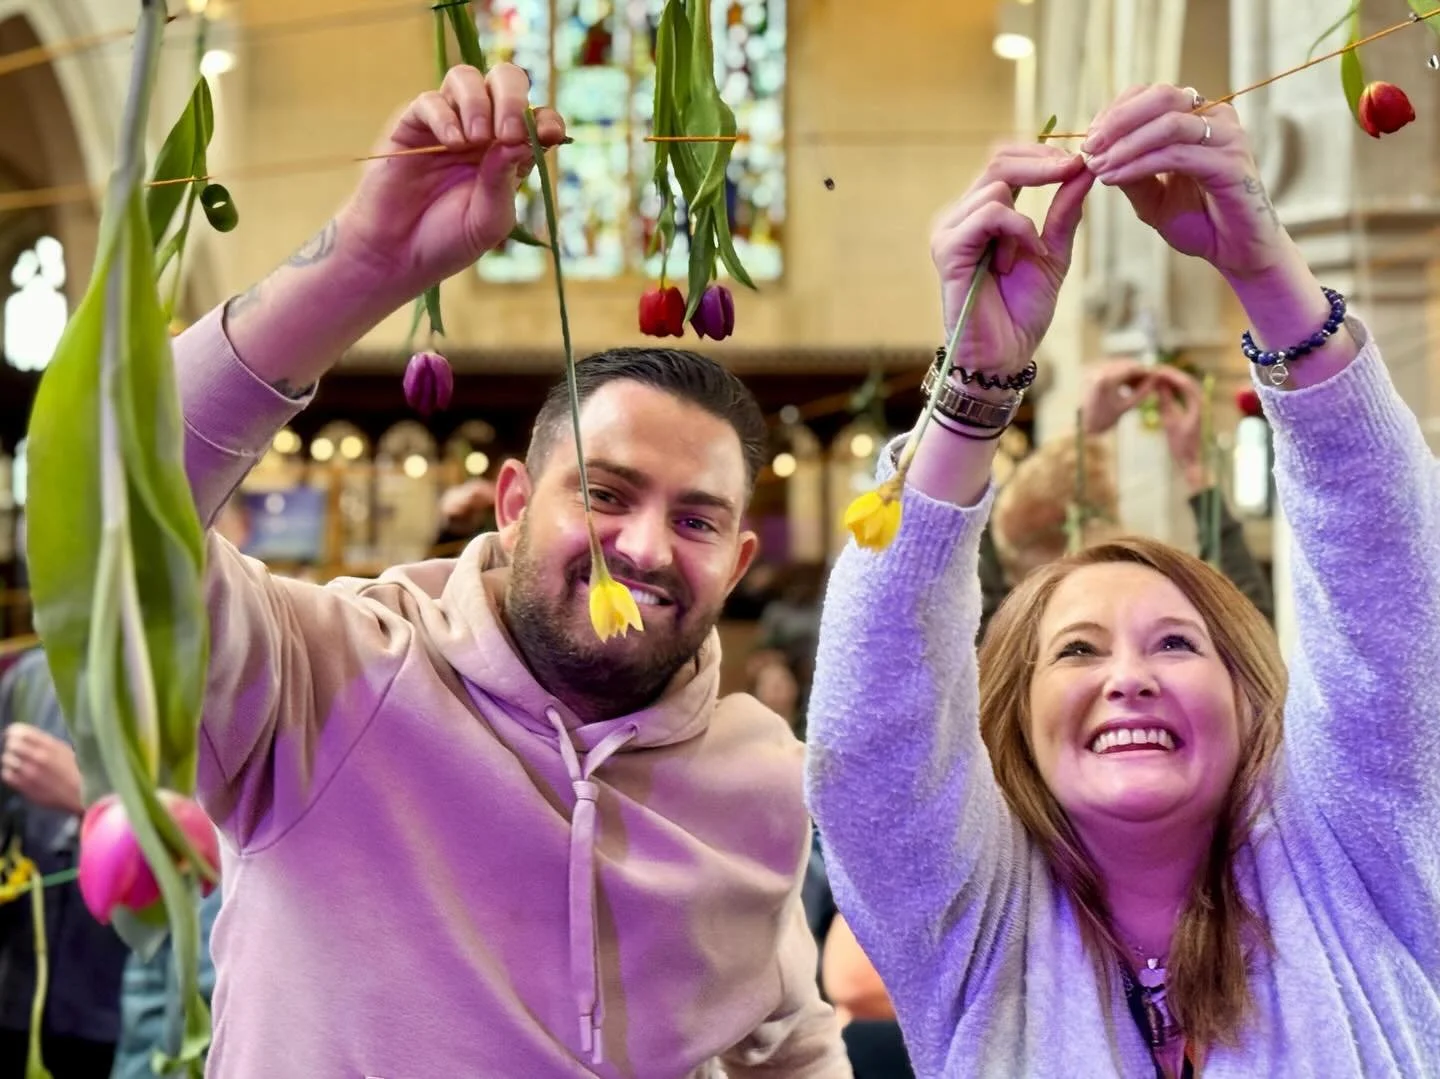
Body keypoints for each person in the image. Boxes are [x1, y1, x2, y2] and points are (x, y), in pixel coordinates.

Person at [163, 64, 846, 1077]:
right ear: (516, 501)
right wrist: (363, 261)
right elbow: (113, 498)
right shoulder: (320, 677)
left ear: (740, 559)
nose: (645, 547)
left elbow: (788, 1043)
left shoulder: (760, 774)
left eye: (696, 518)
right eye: (606, 493)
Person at [807, 84, 1439, 1077]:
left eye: (1177, 642)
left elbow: (1389, 597)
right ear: (1010, 716)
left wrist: (1265, 270)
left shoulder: (1358, 858)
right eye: (1077, 649)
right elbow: (872, 726)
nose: (1129, 677)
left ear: (1251, 694)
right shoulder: (967, 924)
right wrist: (971, 391)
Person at [979, 361, 1274, 637]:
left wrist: (1082, 432)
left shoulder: (1013, 654)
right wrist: (1196, 467)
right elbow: (1252, 631)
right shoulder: (1176, 633)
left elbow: (980, 536)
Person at [0, 648, 129, 1078]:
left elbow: (200, 852)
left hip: (113, 1005)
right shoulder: (31, 676)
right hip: (18, 991)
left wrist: (91, 798)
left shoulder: (177, 675)